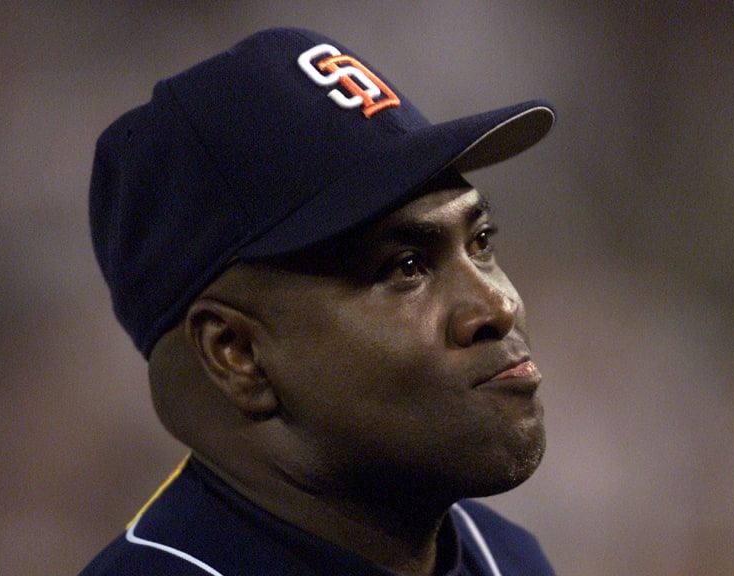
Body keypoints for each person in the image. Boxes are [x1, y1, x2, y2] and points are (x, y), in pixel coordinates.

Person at [82, 27, 557, 576]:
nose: (496, 306)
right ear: (236, 352)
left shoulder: (504, 556)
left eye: (480, 242)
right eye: (406, 268)